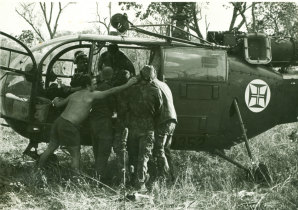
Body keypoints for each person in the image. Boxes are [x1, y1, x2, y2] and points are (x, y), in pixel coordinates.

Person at [38, 75, 137, 172]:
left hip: (59, 122)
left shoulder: (75, 94)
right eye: (94, 84)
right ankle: (76, 178)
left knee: (51, 148)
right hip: (69, 125)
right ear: (87, 85)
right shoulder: (91, 94)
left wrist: (55, 100)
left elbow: (58, 104)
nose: (96, 86)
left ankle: (38, 169)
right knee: (76, 154)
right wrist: (128, 84)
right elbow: (111, 91)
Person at [126, 65, 163, 191]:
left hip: (132, 127)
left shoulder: (132, 89)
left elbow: (126, 107)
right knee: (143, 157)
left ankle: (129, 180)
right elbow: (159, 110)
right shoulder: (155, 90)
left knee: (132, 154)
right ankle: (140, 183)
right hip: (147, 128)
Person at [150, 65, 177, 183]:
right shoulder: (163, 84)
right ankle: (173, 176)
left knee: (158, 150)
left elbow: (157, 106)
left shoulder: (154, 86)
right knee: (166, 150)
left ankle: (164, 178)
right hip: (171, 120)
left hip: (163, 121)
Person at [89, 66, 115, 181]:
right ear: (112, 76)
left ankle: (98, 173)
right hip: (104, 122)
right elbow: (114, 106)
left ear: (102, 75)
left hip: (93, 122)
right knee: (104, 151)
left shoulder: (96, 88)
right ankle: (98, 178)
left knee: (97, 149)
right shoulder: (109, 89)